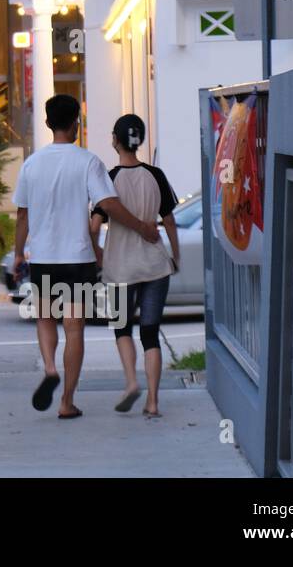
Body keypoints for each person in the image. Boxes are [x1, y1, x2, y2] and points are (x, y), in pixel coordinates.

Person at [13, 95, 160, 419]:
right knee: (74, 327)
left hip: (44, 258)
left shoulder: (32, 164)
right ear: (76, 123)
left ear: (49, 123)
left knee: (45, 318)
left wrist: (17, 255)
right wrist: (141, 227)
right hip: (77, 258)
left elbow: (22, 215)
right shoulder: (88, 162)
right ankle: (66, 401)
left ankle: (50, 367)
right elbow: (108, 204)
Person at [90, 114, 180, 418]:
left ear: (115, 140)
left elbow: (93, 225)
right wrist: (175, 256)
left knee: (121, 328)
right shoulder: (156, 175)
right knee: (151, 333)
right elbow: (168, 220)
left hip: (119, 267)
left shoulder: (108, 178)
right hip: (155, 264)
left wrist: (97, 251)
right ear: (138, 140)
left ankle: (131, 382)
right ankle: (153, 401)